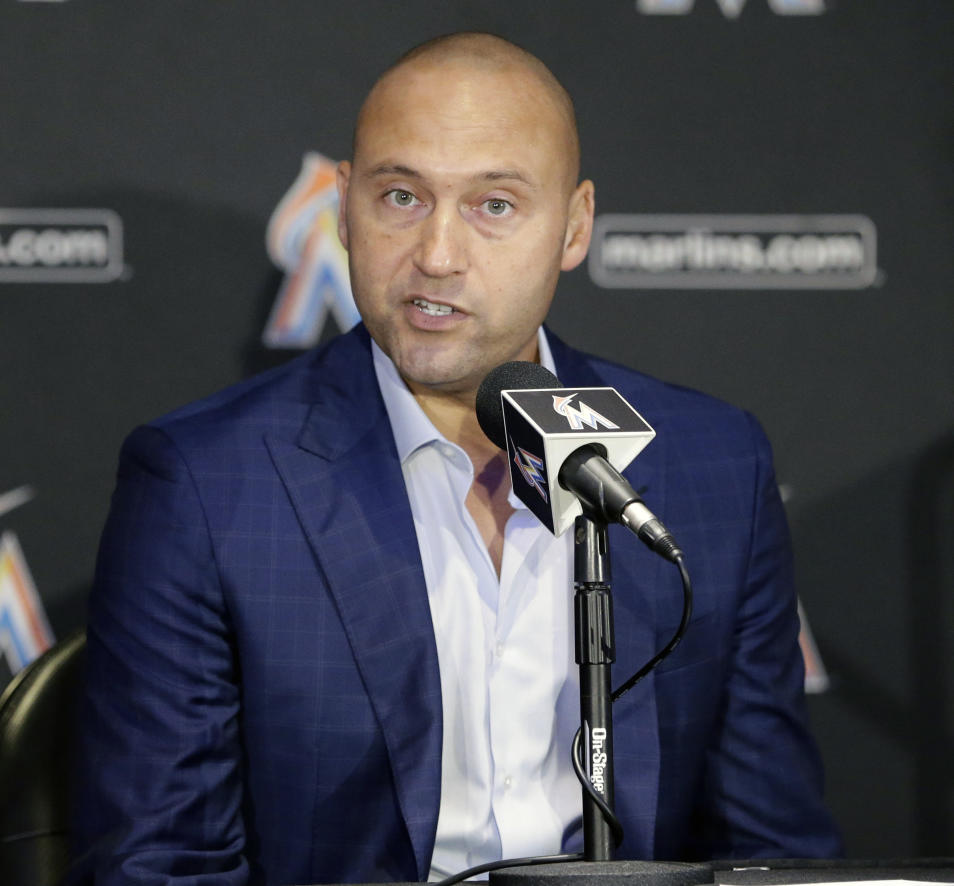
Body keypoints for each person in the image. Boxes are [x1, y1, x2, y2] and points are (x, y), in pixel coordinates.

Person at [72, 32, 841, 885]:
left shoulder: (712, 466)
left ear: (575, 225)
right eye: (400, 196)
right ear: (342, 206)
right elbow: (160, 864)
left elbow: (773, 854)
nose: (436, 255)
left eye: (495, 206)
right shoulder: (207, 484)